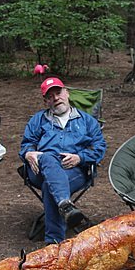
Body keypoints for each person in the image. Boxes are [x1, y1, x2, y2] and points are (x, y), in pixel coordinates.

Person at [21, 77, 107, 244]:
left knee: (49, 185)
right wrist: (28, 153)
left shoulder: (86, 120)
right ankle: (65, 205)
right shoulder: (38, 120)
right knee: (46, 156)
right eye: (50, 96)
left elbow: (99, 148)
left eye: (58, 93)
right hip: (41, 169)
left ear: (67, 93)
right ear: (46, 101)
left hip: (74, 170)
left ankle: (53, 242)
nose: (56, 98)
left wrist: (80, 157)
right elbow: (26, 144)